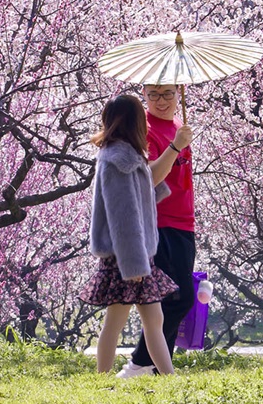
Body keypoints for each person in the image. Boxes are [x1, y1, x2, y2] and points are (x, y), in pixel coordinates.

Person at [79, 94, 178, 376]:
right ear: (134, 121)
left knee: (153, 318)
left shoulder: (127, 157)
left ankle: (169, 378)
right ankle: (102, 378)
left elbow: (137, 199)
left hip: (136, 254)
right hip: (127, 257)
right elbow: (123, 216)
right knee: (116, 320)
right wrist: (133, 264)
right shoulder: (118, 160)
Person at [118, 84, 195, 378]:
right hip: (161, 222)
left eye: (167, 94)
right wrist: (176, 146)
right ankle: (139, 363)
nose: (161, 101)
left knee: (171, 297)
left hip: (184, 221)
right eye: (154, 95)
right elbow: (148, 178)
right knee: (179, 297)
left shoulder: (178, 126)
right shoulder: (144, 129)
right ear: (144, 95)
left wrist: (180, 139)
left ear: (179, 92)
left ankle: (158, 368)